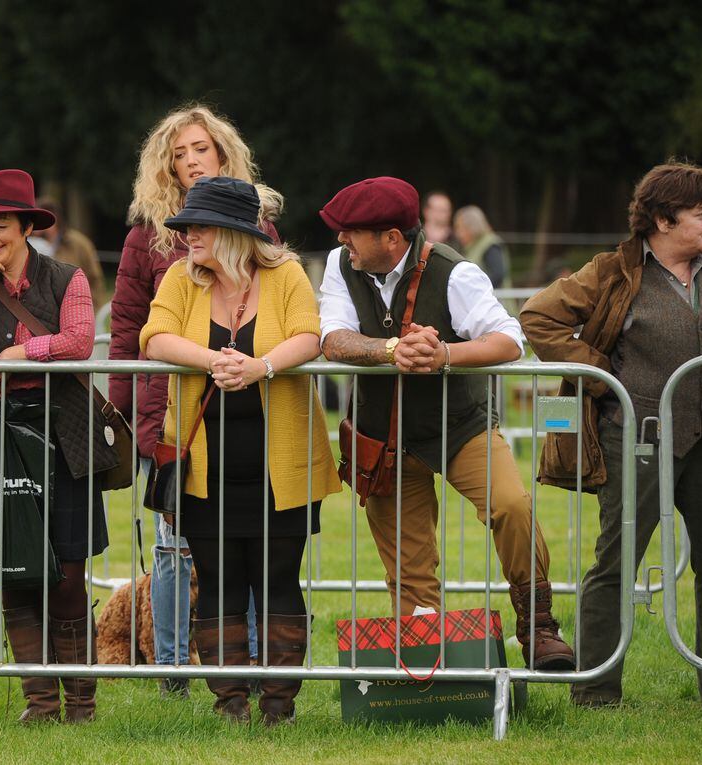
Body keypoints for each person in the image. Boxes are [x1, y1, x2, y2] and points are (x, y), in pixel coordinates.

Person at [520, 160, 702, 707]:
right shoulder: (612, 271)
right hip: (634, 438)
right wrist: (603, 377)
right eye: (701, 213)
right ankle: (595, 692)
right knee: (615, 562)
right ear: (663, 220)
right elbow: (538, 317)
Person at [318, 176, 575, 670]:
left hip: (462, 426)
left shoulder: (456, 273)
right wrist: (392, 349)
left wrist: (444, 354)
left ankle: (538, 627)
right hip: (384, 436)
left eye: (350, 231)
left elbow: (509, 340)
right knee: (410, 569)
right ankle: (431, 669)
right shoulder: (339, 266)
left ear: (391, 237)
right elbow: (333, 337)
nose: (340, 239)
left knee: (512, 506)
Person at [142, 176, 341, 725]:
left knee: (279, 578)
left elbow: (310, 336)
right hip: (206, 467)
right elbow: (153, 338)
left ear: (234, 233)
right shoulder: (183, 279)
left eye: (199, 227)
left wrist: (261, 366)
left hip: (282, 467)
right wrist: (214, 361)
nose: (187, 238)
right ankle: (230, 700)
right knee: (218, 579)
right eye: (186, 228)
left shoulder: (287, 275)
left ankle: (279, 704)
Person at [109, 104, 278, 696]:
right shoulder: (146, 237)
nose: (190, 160)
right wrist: (123, 414)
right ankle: (173, 665)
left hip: (248, 402)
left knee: (249, 535)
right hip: (171, 401)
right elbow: (130, 328)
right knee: (173, 541)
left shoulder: (258, 225)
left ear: (224, 152)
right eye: (178, 153)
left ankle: (252, 657)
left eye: (200, 148)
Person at [0, 168, 110, 724]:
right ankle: (39, 704)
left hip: (64, 440)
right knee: (12, 569)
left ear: (27, 225)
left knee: (68, 575)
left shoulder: (67, 278)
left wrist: (15, 358)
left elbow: (79, 342)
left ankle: (80, 703)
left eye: (1, 224)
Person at [29, 196, 106, 310]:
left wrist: (90, 311)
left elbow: (94, 279)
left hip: (76, 309)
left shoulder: (79, 244)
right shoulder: (27, 244)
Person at [453, 205, 511, 288]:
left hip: (496, 299)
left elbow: (498, 274)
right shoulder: (472, 247)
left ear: (471, 227)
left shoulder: (490, 244)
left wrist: (476, 289)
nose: (457, 233)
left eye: (459, 227)